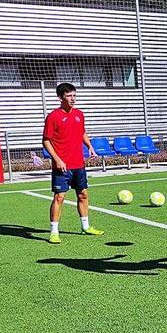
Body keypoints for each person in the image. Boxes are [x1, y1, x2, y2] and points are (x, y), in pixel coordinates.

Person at [42, 82, 104, 244]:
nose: (72, 99)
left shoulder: (79, 114)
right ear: (60, 97)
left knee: (83, 194)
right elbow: (46, 141)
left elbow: (82, 132)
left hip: (79, 164)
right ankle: (54, 232)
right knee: (59, 197)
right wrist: (57, 160)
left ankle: (86, 227)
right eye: (69, 95)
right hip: (62, 166)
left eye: (74, 95)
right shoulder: (53, 116)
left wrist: (89, 146)